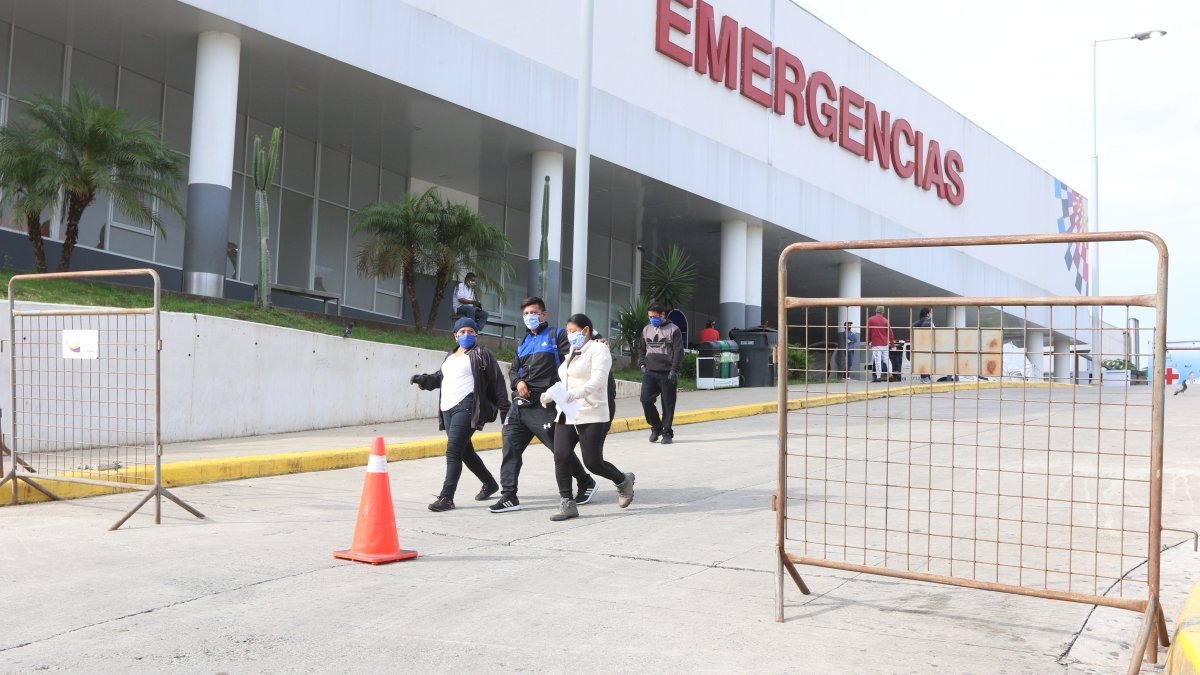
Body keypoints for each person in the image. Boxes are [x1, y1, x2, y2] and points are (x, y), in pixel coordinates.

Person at [488, 296, 596, 514]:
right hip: (519, 406)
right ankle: (509, 496)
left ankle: (585, 481)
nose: (530, 317)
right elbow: (513, 370)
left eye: (534, 313)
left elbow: (581, 345)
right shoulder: (523, 342)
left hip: (545, 403)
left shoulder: (557, 335)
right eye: (526, 314)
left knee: (559, 450)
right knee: (510, 447)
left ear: (544, 315)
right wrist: (518, 382)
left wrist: (598, 342)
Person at [540, 313, 636, 521]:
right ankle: (567, 503)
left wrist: (573, 394)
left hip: (591, 412)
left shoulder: (599, 349)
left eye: (573, 331)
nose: (569, 335)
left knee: (593, 462)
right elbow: (566, 381)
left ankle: (623, 481)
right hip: (568, 412)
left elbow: (598, 380)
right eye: (568, 331)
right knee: (561, 456)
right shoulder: (571, 353)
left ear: (586, 330)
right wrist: (551, 394)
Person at [409, 317, 507, 512]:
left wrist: (505, 410)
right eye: (462, 332)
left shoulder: (482, 353)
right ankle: (489, 483)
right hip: (447, 408)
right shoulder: (451, 355)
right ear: (455, 336)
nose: (466, 334)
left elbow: (497, 381)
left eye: (471, 331)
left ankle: (447, 497)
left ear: (476, 334)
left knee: (453, 451)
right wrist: (424, 380)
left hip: (468, 405)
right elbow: (441, 377)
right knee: (465, 451)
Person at [639, 302, 684, 444]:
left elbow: (678, 351)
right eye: (650, 317)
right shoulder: (646, 329)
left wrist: (674, 370)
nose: (652, 319)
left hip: (667, 373)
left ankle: (667, 433)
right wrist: (641, 363)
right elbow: (641, 348)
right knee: (645, 400)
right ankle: (656, 427)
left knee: (668, 404)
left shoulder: (674, 330)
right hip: (650, 372)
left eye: (655, 316)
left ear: (662, 315)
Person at [866, 306, 894, 383]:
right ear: (883, 312)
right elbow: (890, 333)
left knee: (877, 360)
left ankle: (878, 377)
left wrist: (867, 342)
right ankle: (890, 375)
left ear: (876, 311)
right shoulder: (886, 321)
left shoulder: (870, 319)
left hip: (876, 343)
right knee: (887, 359)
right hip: (885, 343)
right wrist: (892, 344)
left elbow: (868, 332)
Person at [911, 307, 933, 383]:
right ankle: (925, 378)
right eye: (930, 313)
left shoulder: (917, 322)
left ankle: (926, 378)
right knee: (926, 361)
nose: (931, 314)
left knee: (923, 361)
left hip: (919, 345)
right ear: (927, 314)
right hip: (927, 344)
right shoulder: (927, 322)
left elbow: (909, 329)